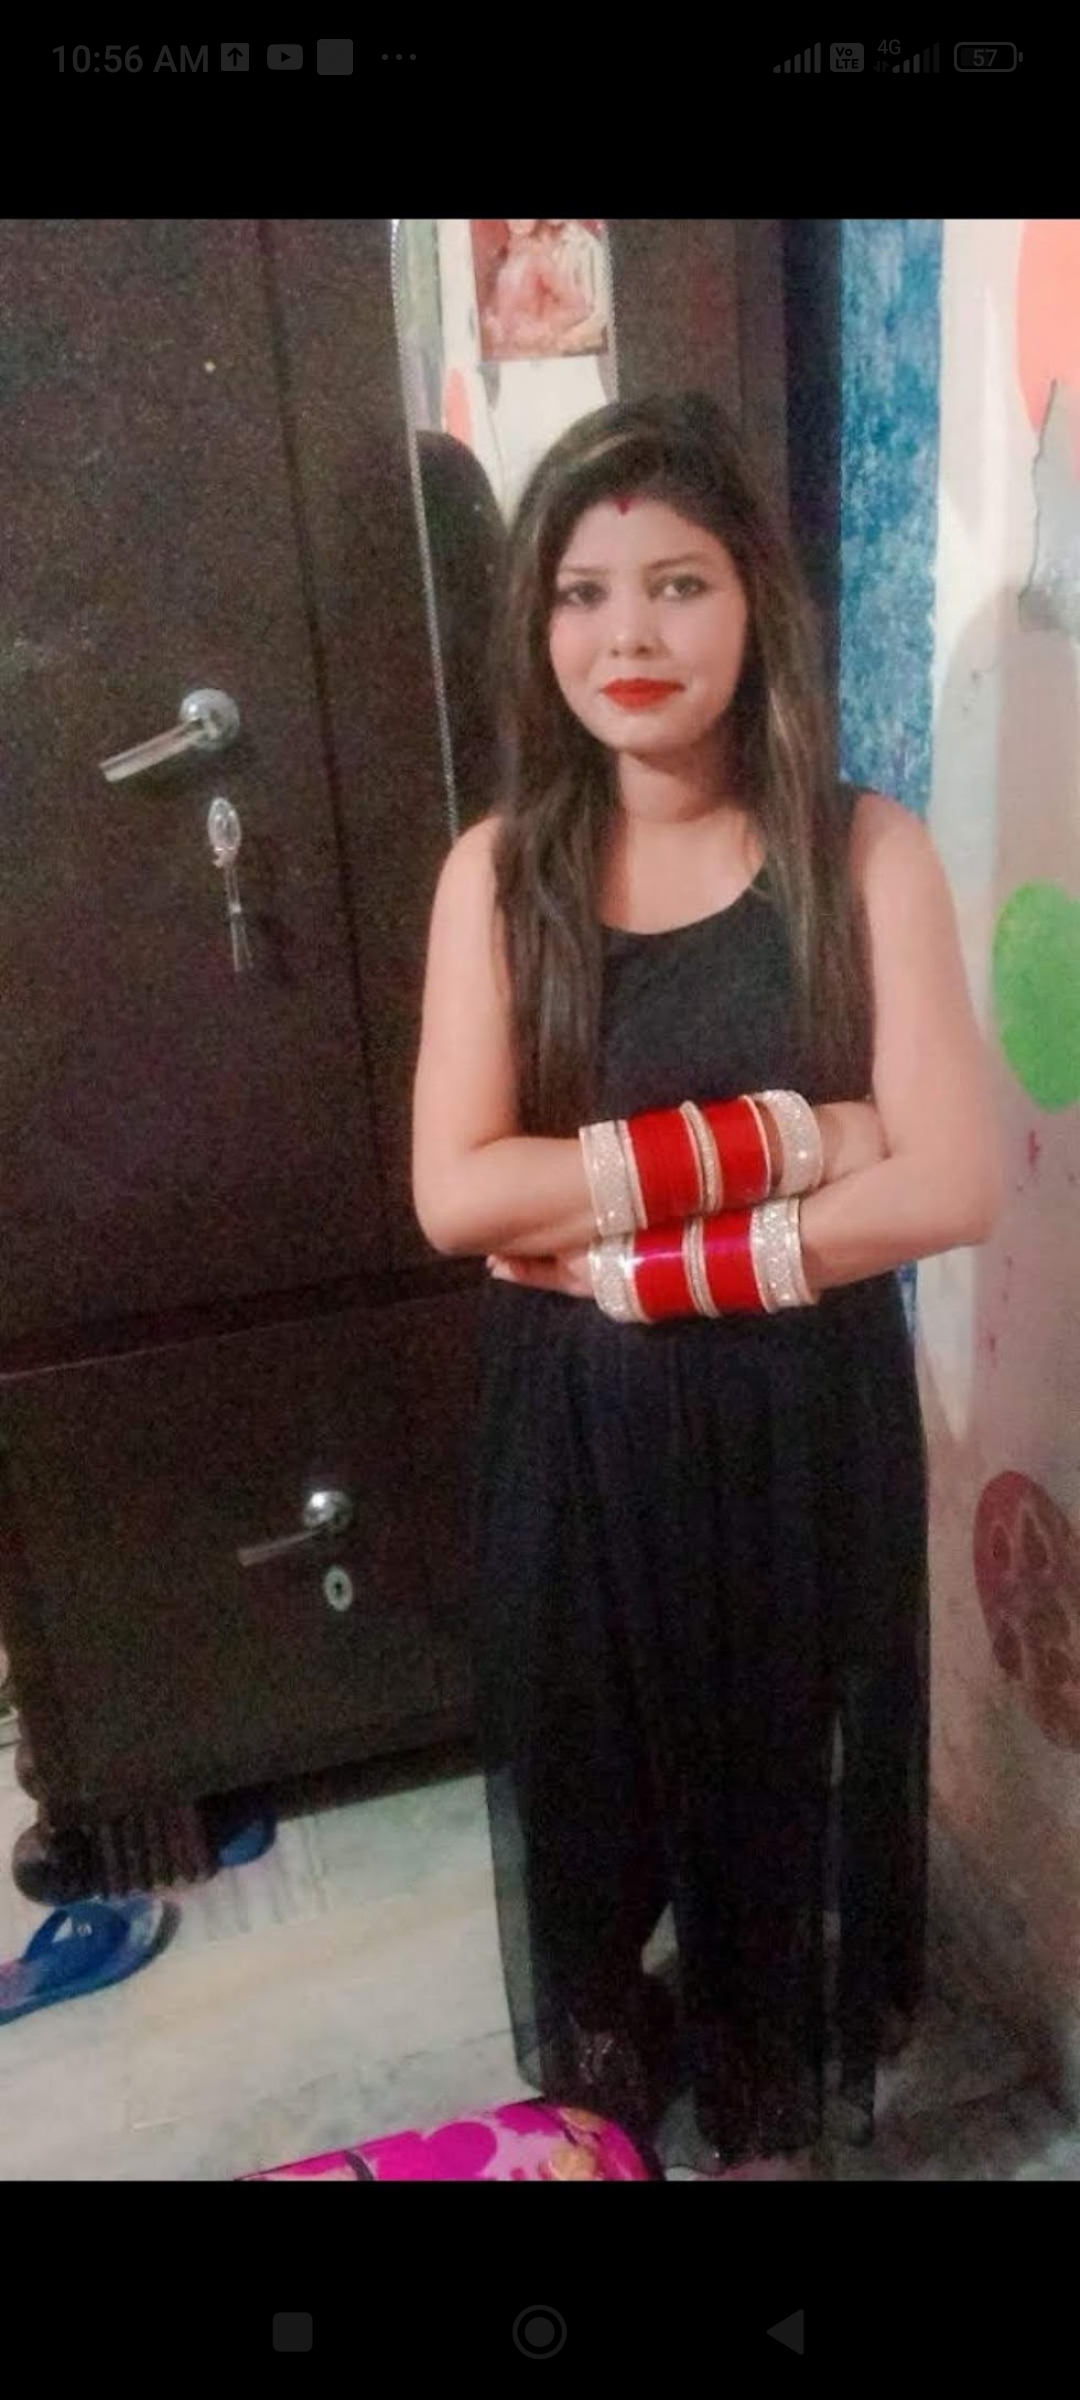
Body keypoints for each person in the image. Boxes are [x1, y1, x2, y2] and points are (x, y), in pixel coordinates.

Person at [411, 392, 1002, 2174]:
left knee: (775, 1795)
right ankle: (617, 2100)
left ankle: (761, 2116)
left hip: (799, 1424)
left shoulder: (862, 853)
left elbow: (958, 1177)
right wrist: (800, 1139)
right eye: (583, 594)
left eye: (679, 585)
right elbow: (458, 1192)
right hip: (573, 1441)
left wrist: (632, 1261)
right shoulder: (500, 875)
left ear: (755, 603)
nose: (631, 637)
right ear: (539, 623)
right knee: (589, 1786)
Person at [481, 219, 593, 360]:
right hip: (500, 357)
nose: (519, 221)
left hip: (528, 358)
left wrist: (543, 328)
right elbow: (489, 307)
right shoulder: (500, 256)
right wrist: (490, 322)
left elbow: (580, 307)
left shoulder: (538, 256)